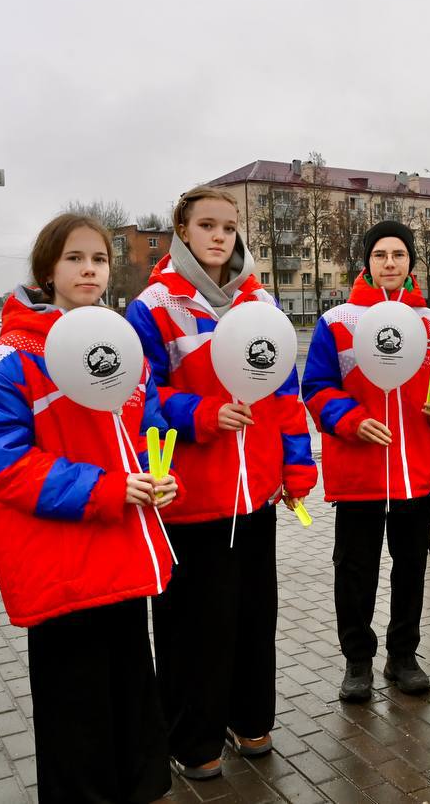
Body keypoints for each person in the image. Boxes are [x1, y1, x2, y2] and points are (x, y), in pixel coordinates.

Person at [0, 213, 178, 803]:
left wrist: (162, 475)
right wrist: (106, 490)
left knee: (132, 701)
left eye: (100, 260)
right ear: (47, 269)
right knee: (75, 717)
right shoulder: (4, 362)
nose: (89, 270)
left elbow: (148, 427)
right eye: (75, 258)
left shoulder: (118, 346)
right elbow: (3, 465)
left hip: (125, 559)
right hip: (64, 569)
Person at [127, 185, 316, 780]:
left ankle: (250, 719)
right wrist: (201, 416)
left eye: (229, 227)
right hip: (192, 495)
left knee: (255, 616)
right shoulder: (153, 305)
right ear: (182, 231)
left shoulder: (260, 302)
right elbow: (139, 396)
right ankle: (193, 739)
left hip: (255, 491)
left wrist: (297, 463)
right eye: (206, 225)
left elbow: (284, 392)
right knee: (194, 627)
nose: (218, 236)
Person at [302, 221, 430, 703]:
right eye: (379, 255)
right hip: (359, 471)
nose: (389, 263)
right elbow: (316, 387)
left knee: (411, 567)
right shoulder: (339, 321)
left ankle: (403, 655)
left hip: (418, 471)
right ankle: (357, 660)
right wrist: (350, 420)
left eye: (398, 255)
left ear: (411, 263)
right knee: (355, 571)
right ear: (366, 263)